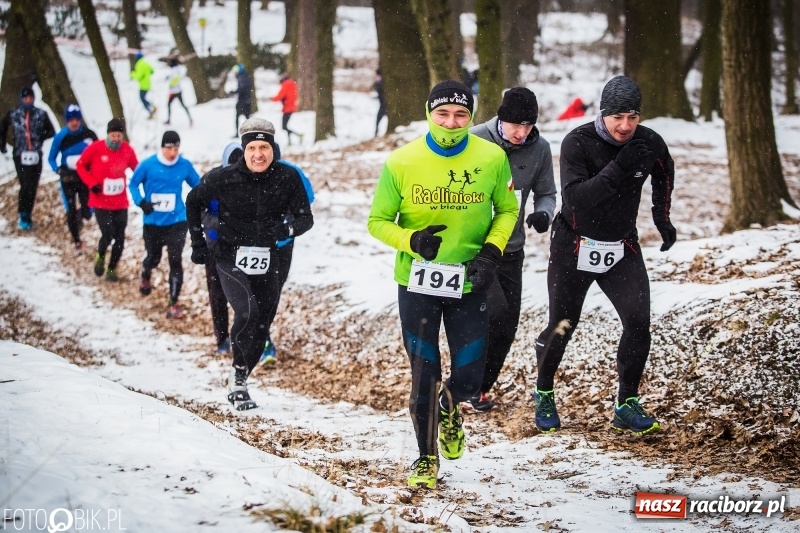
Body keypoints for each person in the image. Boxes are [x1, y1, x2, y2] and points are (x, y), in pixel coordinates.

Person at [367, 80, 518, 488]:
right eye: (443, 114)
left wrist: (491, 251)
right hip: (417, 283)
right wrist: (410, 240)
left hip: (470, 281)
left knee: (469, 377)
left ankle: (450, 407)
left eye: (461, 115)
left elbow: (507, 210)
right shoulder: (402, 161)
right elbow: (376, 222)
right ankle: (424, 458)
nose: (452, 123)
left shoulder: (491, 157)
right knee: (424, 374)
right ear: (428, 113)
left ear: (471, 117)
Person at [533, 75, 676, 436]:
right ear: (603, 113)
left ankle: (626, 403)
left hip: (621, 247)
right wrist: (620, 166)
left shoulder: (648, 141)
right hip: (573, 245)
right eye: (618, 118)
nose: (625, 126)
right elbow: (578, 198)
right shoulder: (577, 142)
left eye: (633, 117)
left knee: (638, 321)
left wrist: (662, 218)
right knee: (562, 325)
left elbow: (664, 172)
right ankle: (544, 391)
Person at [186, 117, 313, 411]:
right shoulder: (223, 177)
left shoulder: (287, 177)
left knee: (261, 324)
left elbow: (305, 218)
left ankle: (240, 374)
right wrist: (198, 243)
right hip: (230, 256)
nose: (259, 154)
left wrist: (286, 230)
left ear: (273, 148)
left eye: (264, 147)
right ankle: (238, 376)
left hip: (269, 259)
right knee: (247, 310)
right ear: (244, 149)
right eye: (253, 147)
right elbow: (193, 202)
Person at [467, 87, 557, 412]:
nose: (521, 133)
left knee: (508, 325)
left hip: (512, 249)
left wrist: (543, 214)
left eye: (528, 126)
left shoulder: (540, 149)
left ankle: (478, 389)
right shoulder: (474, 139)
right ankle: (462, 380)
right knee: (494, 311)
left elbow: (547, 192)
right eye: (514, 125)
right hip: (473, 248)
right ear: (500, 119)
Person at [128, 131, 200, 319]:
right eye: (170, 148)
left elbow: (198, 185)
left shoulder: (184, 165)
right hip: (153, 222)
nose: (173, 152)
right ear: (162, 147)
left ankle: (173, 302)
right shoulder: (148, 164)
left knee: (175, 260)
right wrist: (141, 201)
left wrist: (206, 199)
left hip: (177, 221)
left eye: (176, 148)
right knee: (154, 257)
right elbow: (133, 184)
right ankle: (146, 273)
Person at [256, 141, 315, 366]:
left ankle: (262, 334)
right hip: (257, 246)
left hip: (284, 244)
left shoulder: (292, 173)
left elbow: (307, 201)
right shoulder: (251, 172)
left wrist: (290, 219)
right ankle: (260, 338)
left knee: (273, 292)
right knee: (256, 292)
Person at [76, 118, 139, 282]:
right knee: (108, 233)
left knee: (120, 237)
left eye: (119, 135)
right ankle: (101, 255)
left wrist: (148, 182)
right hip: (100, 201)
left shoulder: (127, 150)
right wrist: (91, 184)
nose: (116, 139)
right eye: (113, 135)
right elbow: (80, 165)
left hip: (120, 202)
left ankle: (112, 268)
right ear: (108, 134)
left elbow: (137, 169)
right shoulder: (95, 148)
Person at [0, 86, 56, 230]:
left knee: (33, 185)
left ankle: (28, 213)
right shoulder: (14, 113)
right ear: (21, 99)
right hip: (20, 154)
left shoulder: (41, 114)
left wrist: (39, 137)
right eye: (25, 98)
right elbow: (2, 126)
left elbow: (51, 131)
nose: (28, 100)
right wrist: (4, 144)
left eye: (30, 98)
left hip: (36, 155)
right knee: (26, 184)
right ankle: (23, 214)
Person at [47, 104, 98, 251]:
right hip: (68, 178)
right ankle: (76, 240)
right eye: (71, 120)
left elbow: (99, 154)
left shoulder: (89, 135)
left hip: (85, 178)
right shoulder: (61, 137)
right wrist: (58, 170)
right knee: (70, 210)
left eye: (76, 119)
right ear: (66, 121)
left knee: (87, 211)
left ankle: (81, 215)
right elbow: (51, 158)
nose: (74, 123)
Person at [271, 73, 302, 145]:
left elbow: (281, 95)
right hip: (291, 107)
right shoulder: (292, 83)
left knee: (284, 126)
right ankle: (290, 141)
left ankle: (298, 135)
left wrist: (273, 99)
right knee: (285, 126)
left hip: (287, 108)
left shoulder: (285, 84)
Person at [164, 57, 193, 127]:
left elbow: (176, 78)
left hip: (174, 91)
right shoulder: (176, 69)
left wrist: (171, 84)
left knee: (169, 105)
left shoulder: (174, 70)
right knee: (182, 105)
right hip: (178, 90)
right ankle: (190, 119)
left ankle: (169, 120)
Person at [131, 51, 156, 119]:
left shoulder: (139, 64)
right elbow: (152, 71)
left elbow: (139, 76)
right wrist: (146, 75)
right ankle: (153, 107)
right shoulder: (146, 63)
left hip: (143, 85)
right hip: (148, 84)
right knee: (143, 98)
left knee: (142, 99)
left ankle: (151, 110)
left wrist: (133, 74)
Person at [232, 64, 253, 137]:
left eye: (235, 69)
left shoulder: (241, 77)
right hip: (247, 100)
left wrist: (234, 92)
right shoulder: (245, 76)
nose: (234, 71)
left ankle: (237, 133)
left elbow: (242, 88)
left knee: (239, 116)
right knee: (247, 117)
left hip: (242, 101)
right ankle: (252, 132)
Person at [373, 68, 387, 137]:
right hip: (383, 103)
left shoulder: (381, 82)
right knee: (378, 119)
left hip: (384, 104)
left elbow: (379, 89)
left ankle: (376, 133)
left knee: (378, 119)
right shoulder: (379, 81)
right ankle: (376, 133)